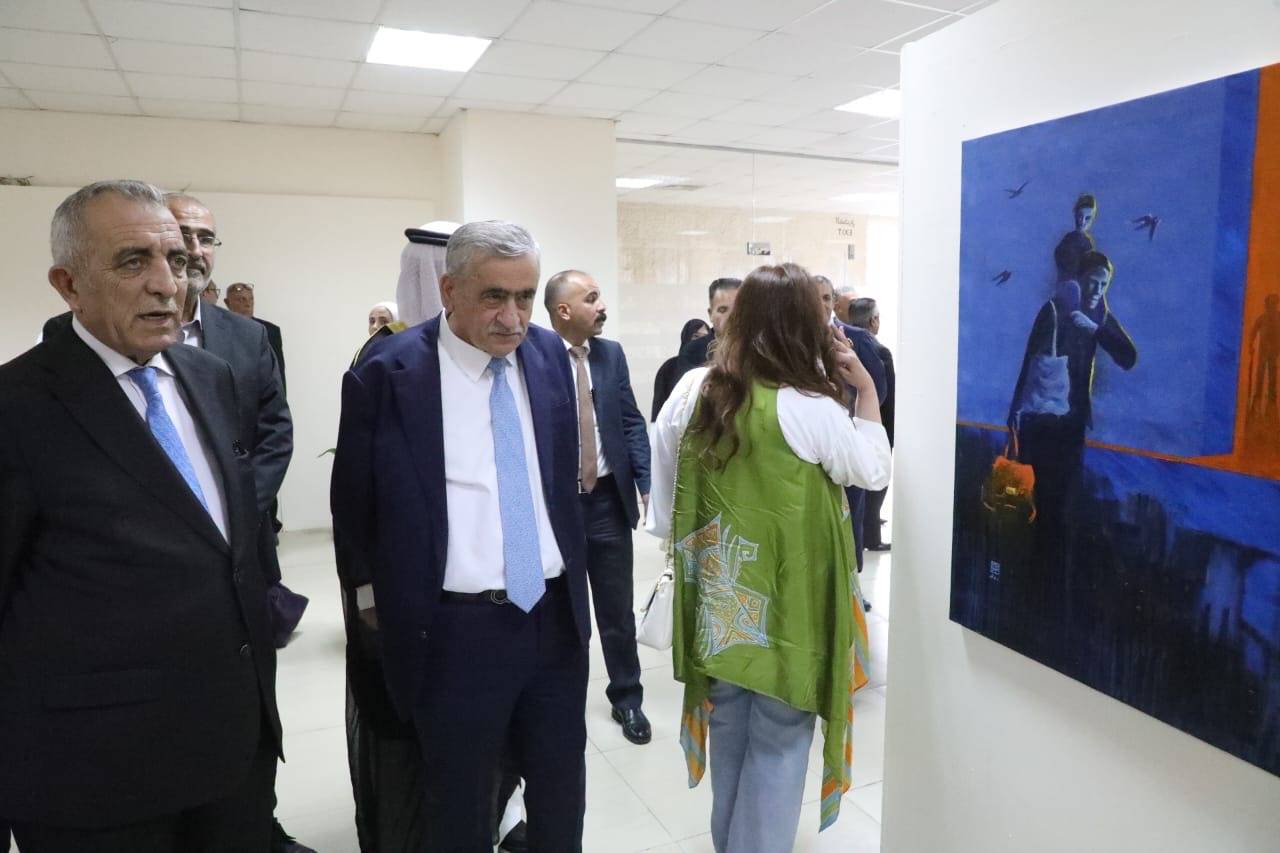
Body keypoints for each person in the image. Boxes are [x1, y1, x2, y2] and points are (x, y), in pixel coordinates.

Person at [0, 180, 281, 851]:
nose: (168, 285)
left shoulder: (209, 376)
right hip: (96, 777)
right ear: (68, 284)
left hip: (233, 753)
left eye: (177, 261)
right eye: (133, 261)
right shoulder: (17, 407)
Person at [332, 221, 591, 852]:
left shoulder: (548, 356)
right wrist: (371, 605)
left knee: (561, 792)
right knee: (461, 804)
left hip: (552, 618)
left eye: (525, 297)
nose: (513, 317)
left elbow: (558, 482)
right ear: (450, 290)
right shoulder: (390, 372)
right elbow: (354, 506)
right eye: (494, 296)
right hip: (455, 632)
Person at [648, 263, 891, 853]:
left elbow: (667, 483)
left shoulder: (694, 389)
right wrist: (866, 392)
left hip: (720, 592)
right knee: (781, 737)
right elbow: (872, 470)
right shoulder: (808, 405)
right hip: (788, 603)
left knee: (729, 723)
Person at [1007, 250, 1136, 651]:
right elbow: (1028, 364)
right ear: (1078, 279)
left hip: (1071, 429)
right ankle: (1036, 600)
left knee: (1060, 515)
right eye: (1092, 282)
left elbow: (1128, 356)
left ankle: (1047, 604)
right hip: (1041, 426)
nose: (1097, 290)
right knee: (1042, 511)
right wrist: (1012, 418)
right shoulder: (1053, 311)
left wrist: (1095, 330)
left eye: (1104, 284)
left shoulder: (1098, 318)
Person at [546, 269, 653, 744]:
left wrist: (645, 480)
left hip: (608, 501)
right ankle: (562, 703)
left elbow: (630, 420)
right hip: (559, 506)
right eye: (591, 298)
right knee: (565, 615)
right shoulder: (537, 357)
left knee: (617, 611)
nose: (602, 306)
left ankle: (627, 699)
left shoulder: (611, 355)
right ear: (563, 310)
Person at [850, 297, 895, 552]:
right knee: (874, 484)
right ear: (874, 320)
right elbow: (886, 399)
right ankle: (871, 537)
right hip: (877, 428)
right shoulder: (879, 351)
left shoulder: (841, 346)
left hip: (850, 426)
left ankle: (865, 535)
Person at [673, 278, 741, 383]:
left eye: (737, 310)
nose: (730, 317)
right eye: (722, 310)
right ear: (710, 314)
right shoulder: (692, 351)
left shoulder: (756, 350)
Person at [227, 281, 287, 396]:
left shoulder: (270, 331)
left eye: (251, 299)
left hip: (261, 398)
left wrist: (281, 401)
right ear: (227, 302)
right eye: (241, 300)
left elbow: (278, 373)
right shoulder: (218, 330)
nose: (248, 304)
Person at [652, 319, 710, 421]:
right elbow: (659, 406)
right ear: (686, 338)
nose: (700, 341)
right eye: (696, 336)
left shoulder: (714, 369)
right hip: (673, 427)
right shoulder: (669, 367)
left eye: (705, 337)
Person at [1054, 193, 1097, 283]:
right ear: (1075, 214)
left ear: (1092, 219)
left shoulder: (1087, 243)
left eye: (1088, 218)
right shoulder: (1068, 239)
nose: (1082, 222)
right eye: (1080, 216)